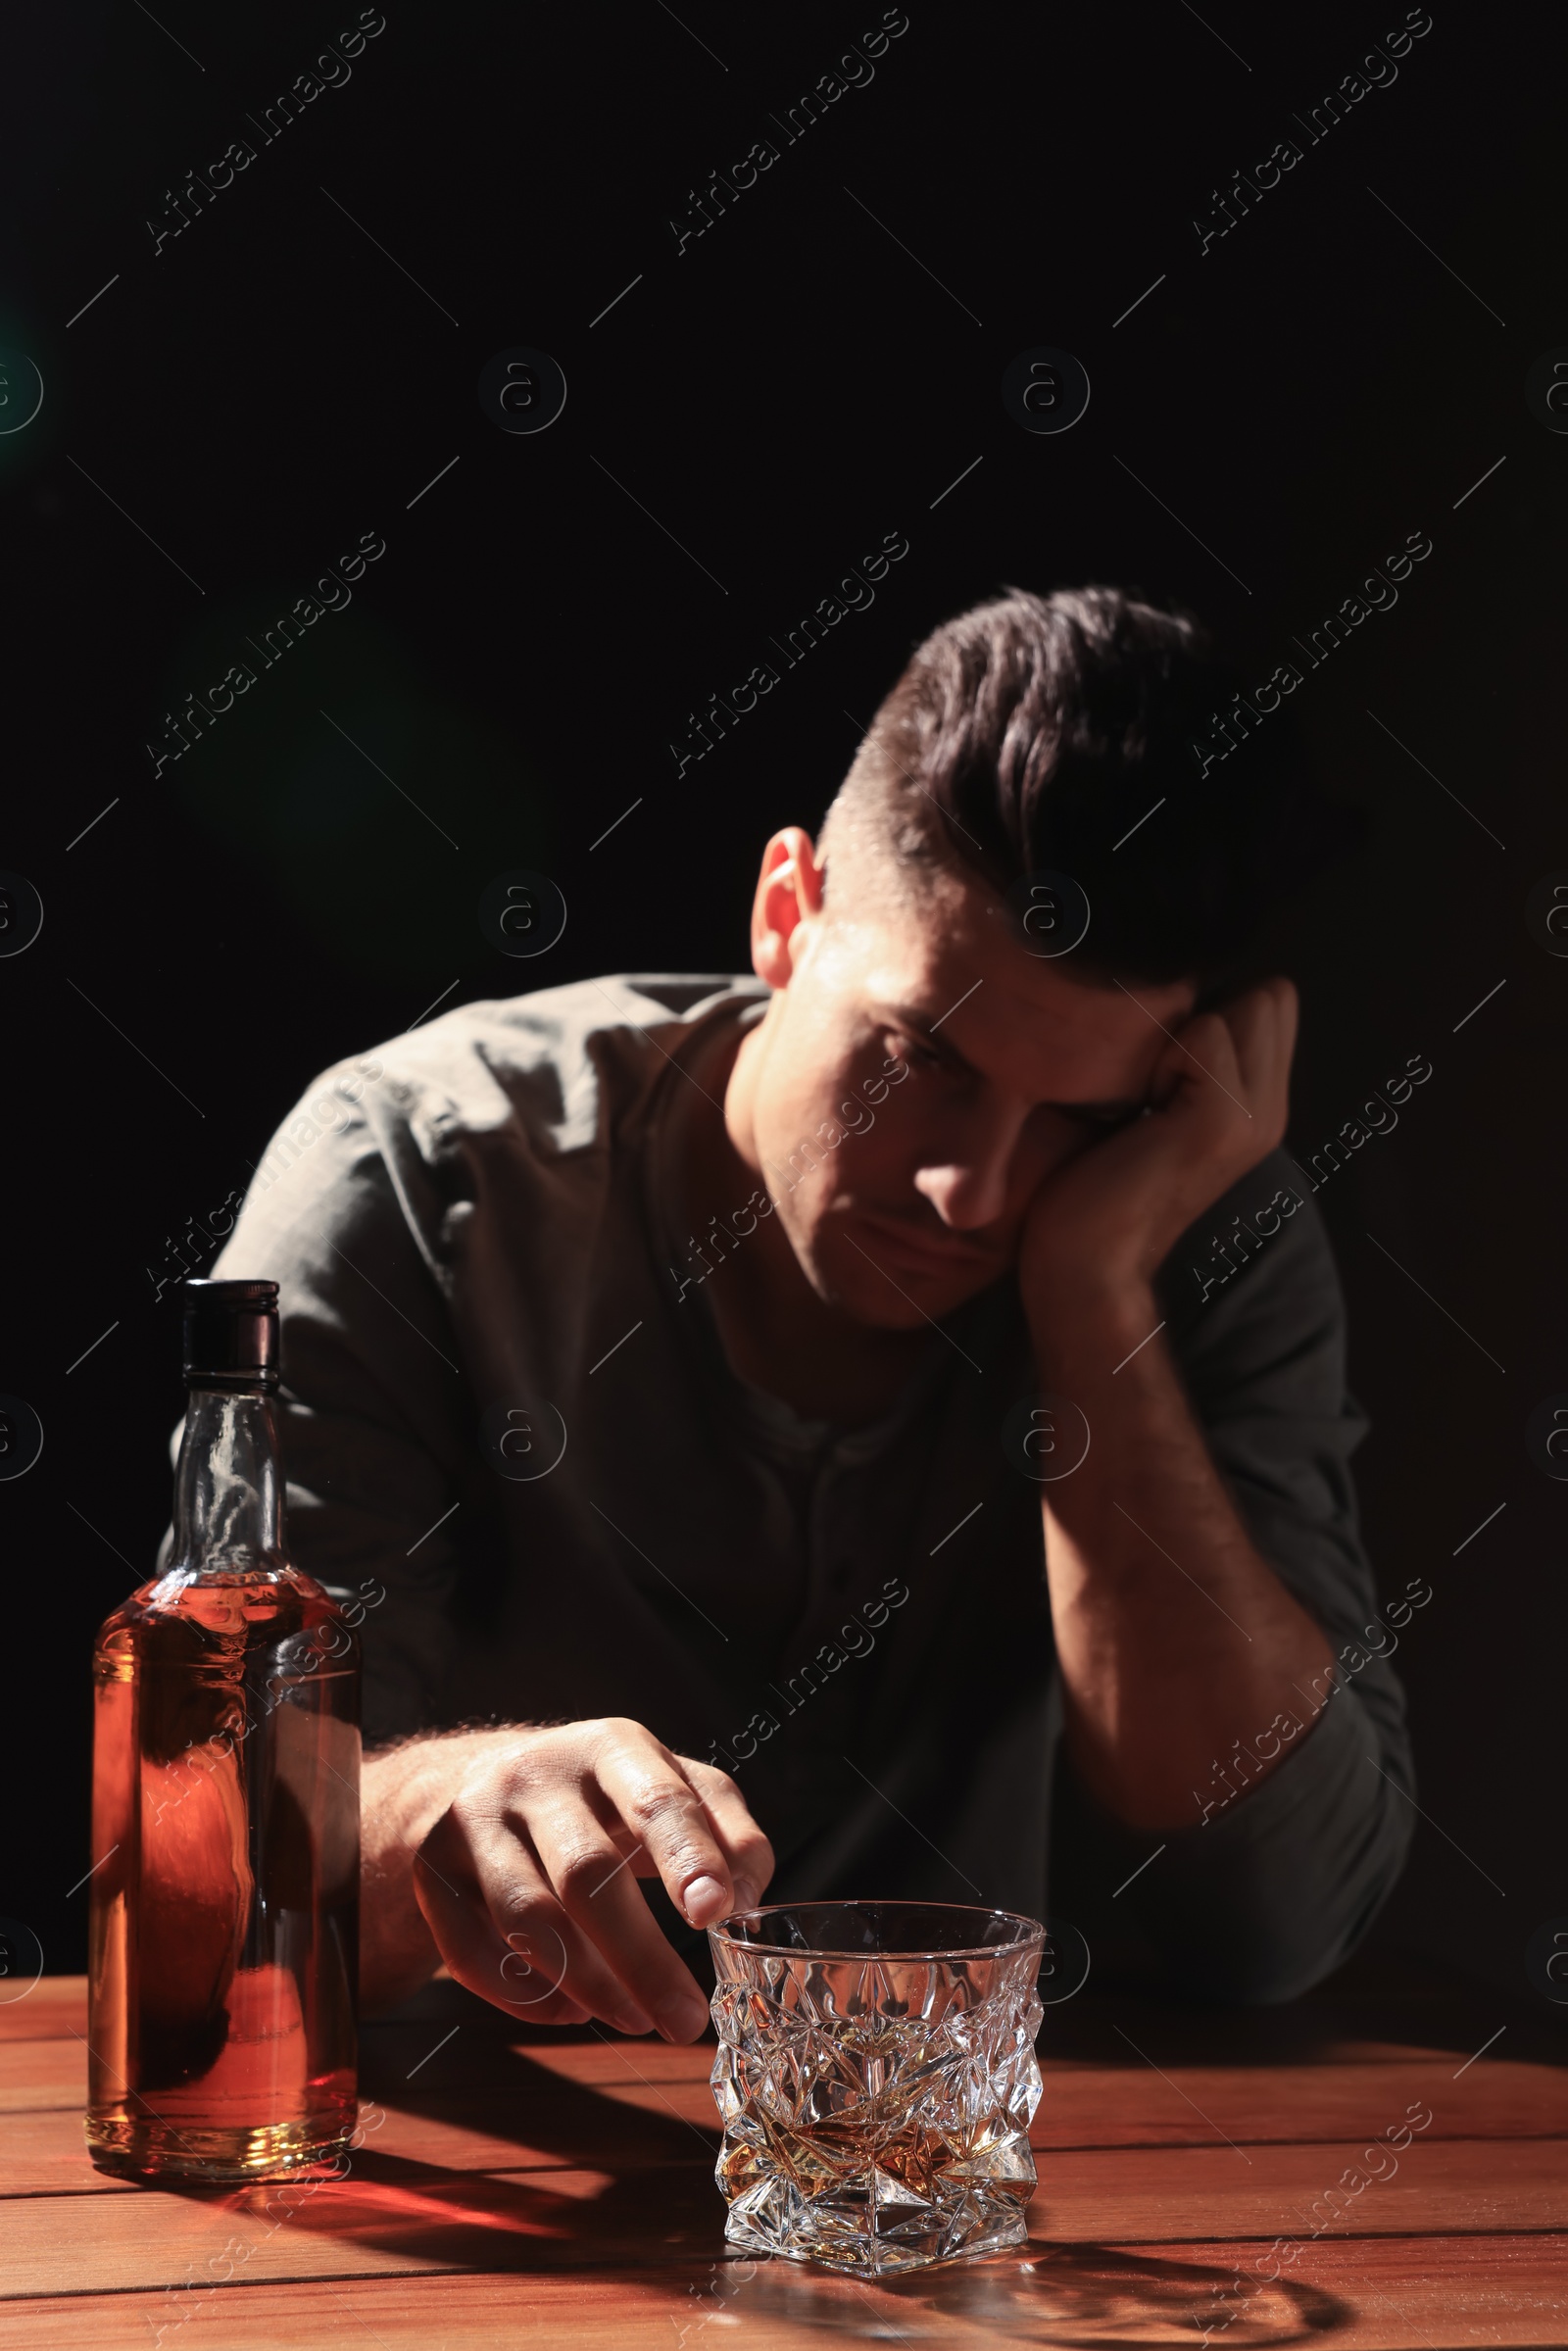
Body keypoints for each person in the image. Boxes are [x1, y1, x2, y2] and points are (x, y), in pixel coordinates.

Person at [181, 586, 1414, 2040]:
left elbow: (1281, 1922)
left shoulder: (1175, 1227)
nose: (974, 1191)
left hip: (959, 2215)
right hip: (464, 2195)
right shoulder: (408, 1171)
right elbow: (209, 1880)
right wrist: (450, 1802)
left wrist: (1094, 1293)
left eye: (1075, 1119)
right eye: (924, 1061)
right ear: (786, 913)